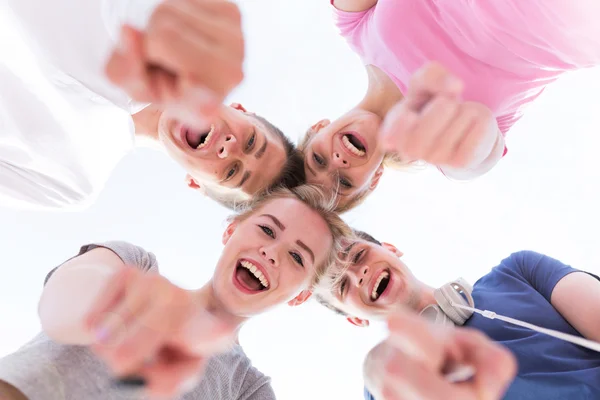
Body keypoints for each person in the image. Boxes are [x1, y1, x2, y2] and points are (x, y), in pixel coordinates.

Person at [0, 185, 352, 399]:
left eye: (296, 256)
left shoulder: (248, 391)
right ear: (231, 231)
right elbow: (62, 303)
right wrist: (115, 302)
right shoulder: (134, 264)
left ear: (300, 296)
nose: (271, 253)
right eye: (267, 230)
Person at [0, 0, 304, 211]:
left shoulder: (70, 185)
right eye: (251, 141)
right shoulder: (163, 20)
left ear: (196, 184)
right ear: (241, 109)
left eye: (232, 172)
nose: (228, 149)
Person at [300, 0, 600, 212]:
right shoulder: (447, 148)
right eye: (344, 183)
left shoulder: (353, 25)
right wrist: (463, 158)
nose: (337, 161)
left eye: (319, 159)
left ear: (318, 129)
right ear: (373, 180)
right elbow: (478, 156)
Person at [316, 231, 600, 399]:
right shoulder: (386, 383)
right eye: (342, 286)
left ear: (391, 249)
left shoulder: (520, 270)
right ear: (355, 318)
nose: (359, 274)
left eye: (357, 256)